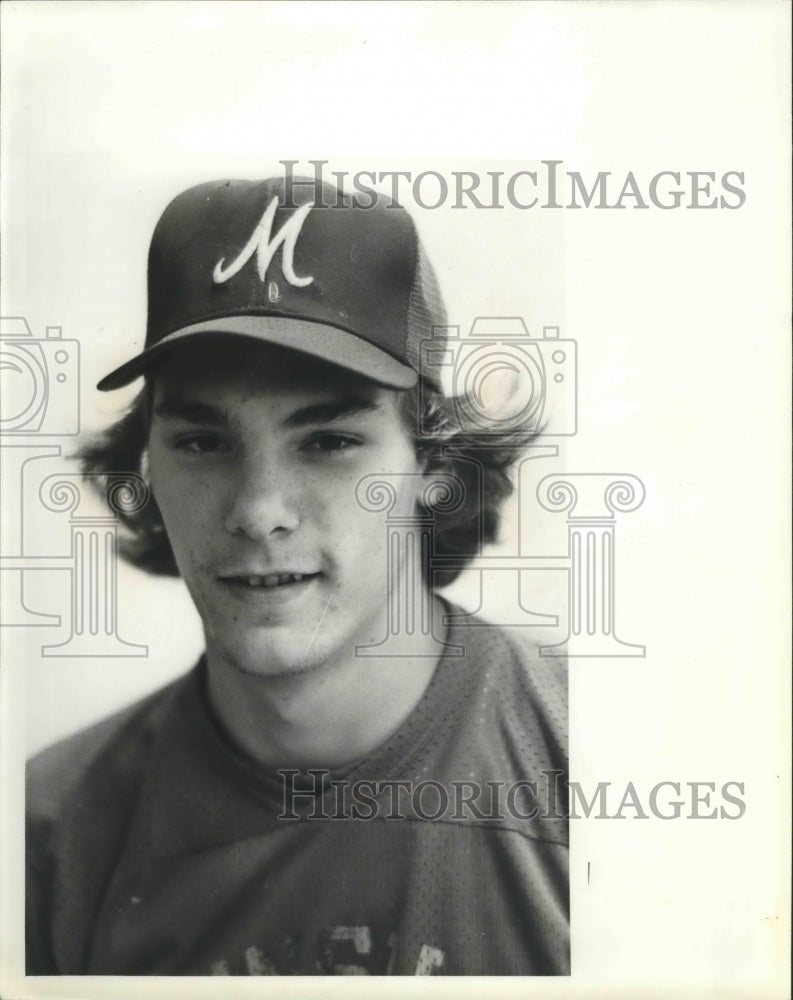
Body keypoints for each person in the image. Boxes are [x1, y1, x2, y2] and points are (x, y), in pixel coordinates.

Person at [25, 175, 569, 976]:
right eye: (203, 443)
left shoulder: (591, 760)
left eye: (329, 441)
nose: (258, 511)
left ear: (431, 463)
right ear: (145, 470)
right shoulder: (50, 833)